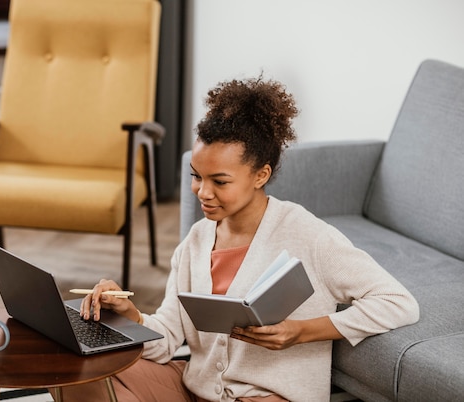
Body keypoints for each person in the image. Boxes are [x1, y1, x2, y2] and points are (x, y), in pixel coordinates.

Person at [64, 75, 419, 401]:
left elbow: (397, 302)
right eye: (196, 177)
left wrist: (301, 331)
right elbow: (167, 340)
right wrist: (131, 315)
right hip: (195, 389)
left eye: (219, 182)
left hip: (267, 396)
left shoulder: (308, 236)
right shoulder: (196, 241)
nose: (202, 192)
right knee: (77, 370)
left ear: (261, 174)